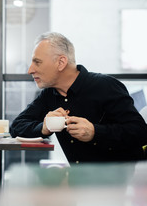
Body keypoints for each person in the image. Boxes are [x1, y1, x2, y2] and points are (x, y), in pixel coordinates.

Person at [10, 32, 147, 163]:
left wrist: (95, 132)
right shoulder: (49, 94)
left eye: (37, 62)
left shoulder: (106, 86)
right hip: (82, 181)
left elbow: (140, 132)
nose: (30, 70)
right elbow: (16, 127)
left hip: (125, 180)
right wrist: (44, 128)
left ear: (61, 62)